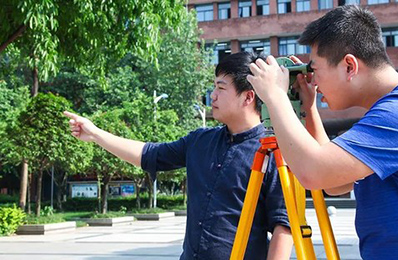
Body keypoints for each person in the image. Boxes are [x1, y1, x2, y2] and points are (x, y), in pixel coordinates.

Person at [246, 5, 398, 260]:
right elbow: (335, 182)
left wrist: (275, 96)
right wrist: (309, 108)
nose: (314, 80)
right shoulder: (395, 110)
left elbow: (314, 174)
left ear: (349, 66)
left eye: (316, 69)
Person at [64, 52, 293, 260]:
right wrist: (95, 134)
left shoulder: (272, 151)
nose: (212, 96)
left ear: (248, 97)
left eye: (220, 88)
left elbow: (283, 227)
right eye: (213, 87)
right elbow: (148, 155)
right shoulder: (199, 141)